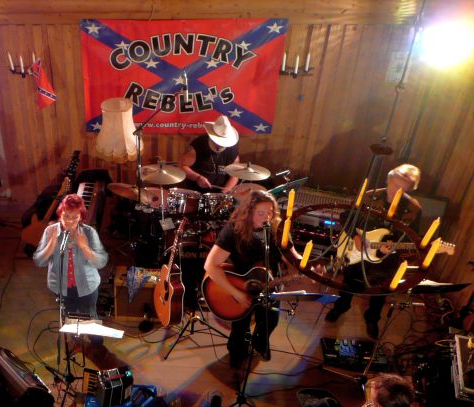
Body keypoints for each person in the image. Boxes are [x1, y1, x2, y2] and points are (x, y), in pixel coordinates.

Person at [203, 189, 302, 368]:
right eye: (261, 213)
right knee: (240, 325)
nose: (267, 218)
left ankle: (259, 342)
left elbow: (293, 257)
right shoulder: (233, 230)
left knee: (271, 320)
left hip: (268, 282)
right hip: (241, 284)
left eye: (270, 213)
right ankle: (237, 352)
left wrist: (307, 266)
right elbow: (210, 265)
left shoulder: (278, 230)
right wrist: (235, 293)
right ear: (248, 212)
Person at [326, 164, 423, 338]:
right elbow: (345, 217)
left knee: (381, 291)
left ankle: (372, 319)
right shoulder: (369, 196)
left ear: (410, 188)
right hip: (358, 247)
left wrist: (393, 247)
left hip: (387, 258)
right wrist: (355, 236)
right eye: (395, 184)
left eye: (403, 188)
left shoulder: (414, 209)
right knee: (349, 282)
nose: (397, 190)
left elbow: (411, 237)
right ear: (388, 180)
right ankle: (340, 308)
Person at [33, 194, 108, 319]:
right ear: (60, 214)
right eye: (66, 216)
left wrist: (84, 247)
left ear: (81, 217)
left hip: (87, 286)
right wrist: (51, 245)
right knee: (69, 321)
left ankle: (92, 332)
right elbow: (39, 262)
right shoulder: (50, 231)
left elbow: (101, 262)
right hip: (61, 288)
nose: (69, 221)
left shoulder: (89, 232)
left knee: (89, 320)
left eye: (75, 217)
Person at [180, 114, 242, 192]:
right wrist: (198, 178)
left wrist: (224, 192)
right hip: (196, 191)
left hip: (221, 192)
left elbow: (235, 175)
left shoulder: (232, 149)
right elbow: (182, 166)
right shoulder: (198, 144)